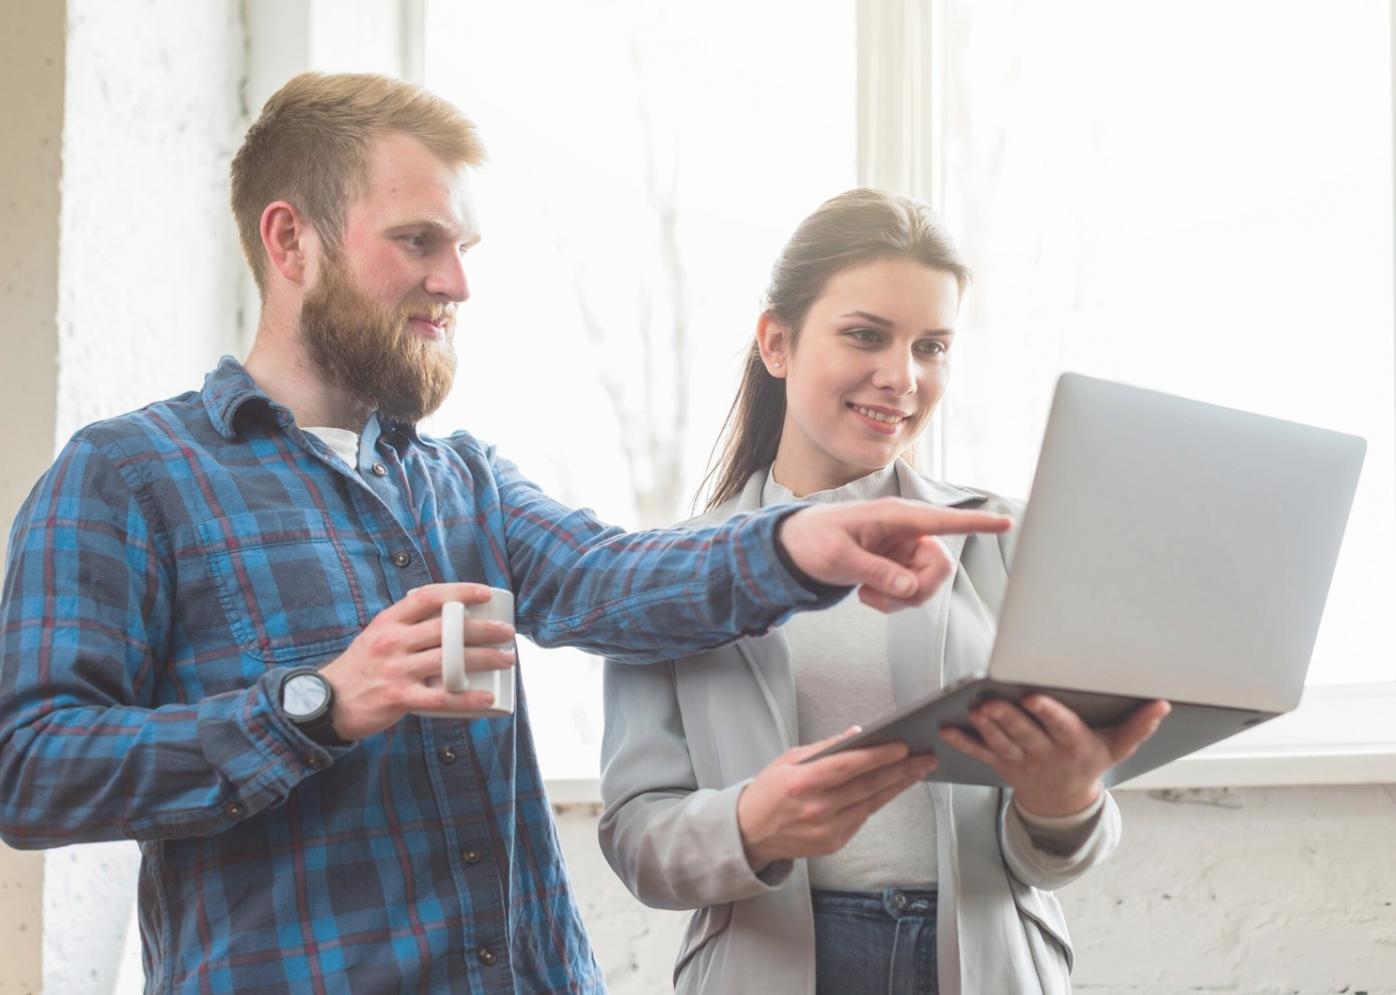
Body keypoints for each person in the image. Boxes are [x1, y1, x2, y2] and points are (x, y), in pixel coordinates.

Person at [0, 79, 1009, 993]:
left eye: (462, 251)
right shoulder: (129, 476)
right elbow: (29, 767)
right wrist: (316, 703)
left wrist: (795, 544)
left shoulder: (464, 479)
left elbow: (612, 579)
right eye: (418, 242)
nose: (455, 284)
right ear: (289, 240)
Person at [598, 188, 1171, 994]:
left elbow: (1058, 850)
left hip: (981, 965)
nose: (902, 377)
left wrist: (1065, 799)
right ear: (776, 342)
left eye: (931, 346)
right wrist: (752, 824)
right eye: (866, 335)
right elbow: (634, 833)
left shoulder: (1008, 541)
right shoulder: (676, 568)